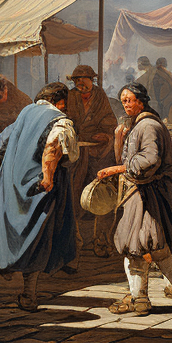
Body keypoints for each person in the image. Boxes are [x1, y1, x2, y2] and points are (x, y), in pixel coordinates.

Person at [96, 83, 172, 316]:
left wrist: (118, 169)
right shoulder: (138, 125)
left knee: (134, 246)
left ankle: (140, 300)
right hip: (146, 192)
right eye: (123, 100)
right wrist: (119, 141)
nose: (126, 104)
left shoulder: (147, 125)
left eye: (130, 100)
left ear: (142, 101)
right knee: (154, 242)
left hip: (147, 194)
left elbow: (149, 160)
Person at [0, 82, 78, 311]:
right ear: (59, 102)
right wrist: (47, 177)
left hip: (13, 184)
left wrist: (8, 171)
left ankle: (8, 266)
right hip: (42, 186)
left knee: (14, 229)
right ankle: (28, 294)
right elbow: (53, 147)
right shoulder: (59, 120)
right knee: (39, 237)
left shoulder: (25, 113)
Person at [65, 65, 119, 255]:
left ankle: (101, 241)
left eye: (84, 79)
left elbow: (110, 120)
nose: (80, 83)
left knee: (102, 195)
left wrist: (105, 135)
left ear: (91, 80)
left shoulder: (100, 95)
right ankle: (75, 242)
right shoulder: (70, 96)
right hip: (77, 153)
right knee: (74, 196)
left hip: (99, 154)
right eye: (77, 80)